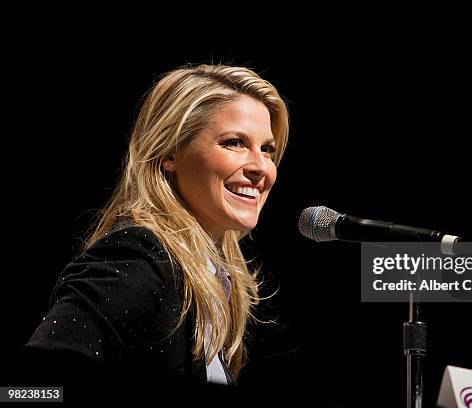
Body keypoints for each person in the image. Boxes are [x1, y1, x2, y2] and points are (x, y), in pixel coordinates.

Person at [21, 64, 289, 402]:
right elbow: (28, 389)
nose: (260, 167)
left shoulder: (210, 276)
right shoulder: (140, 256)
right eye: (234, 142)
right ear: (169, 154)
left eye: (267, 149)